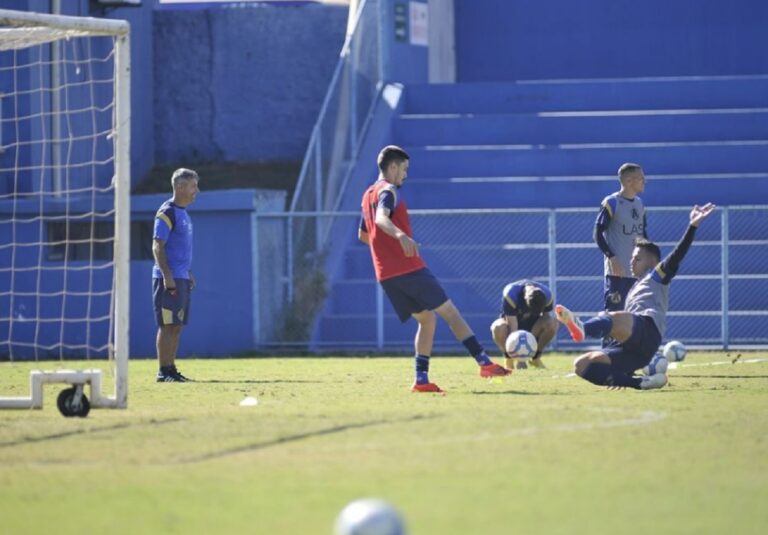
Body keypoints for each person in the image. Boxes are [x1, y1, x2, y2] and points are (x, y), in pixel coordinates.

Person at [358, 145, 510, 393]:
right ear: (393, 167)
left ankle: (421, 380)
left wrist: (386, 249)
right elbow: (381, 220)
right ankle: (484, 362)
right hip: (408, 268)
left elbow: (364, 235)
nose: (405, 175)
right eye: (404, 169)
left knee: (427, 320)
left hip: (386, 275)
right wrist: (401, 237)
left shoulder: (367, 196)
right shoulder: (388, 190)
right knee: (451, 313)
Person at [556, 203, 716, 390]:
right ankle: (640, 383)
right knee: (582, 365)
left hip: (648, 330)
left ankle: (583, 328)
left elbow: (677, 255)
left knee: (610, 316)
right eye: (632, 257)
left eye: (637, 258)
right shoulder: (634, 287)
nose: (632, 261)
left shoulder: (656, 277)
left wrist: (692, 226)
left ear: (654, 262)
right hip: (634, 351)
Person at [152, 168, 200, 382]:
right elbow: (157, 247)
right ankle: (163, 371)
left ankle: (171, 369)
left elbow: (178, 250)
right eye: (193, 186)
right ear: (180, 187)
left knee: (177, 325)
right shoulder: (167, 212)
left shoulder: (183, 213)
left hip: (181, 277)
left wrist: (187, 273)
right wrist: (167, 276)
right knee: (167, 324)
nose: (196, 190)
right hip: (168, 278)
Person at [594, 163, 648, 315]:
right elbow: (597, 234)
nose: (645, 181)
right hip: (618, 273)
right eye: (641, 178)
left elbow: (643, 235)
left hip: (637, 273)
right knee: (614, 314)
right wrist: (612, 257)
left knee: (636, 315)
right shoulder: (612, 203)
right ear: (629, 181)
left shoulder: (639, 204)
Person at [489, 280, 557, 370]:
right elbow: (513, 327)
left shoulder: (548, 295)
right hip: (514, 324)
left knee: (552, 323)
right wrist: (521, 360)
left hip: (534, 326)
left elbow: (546, 318)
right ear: (525, 300)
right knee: (497, 327)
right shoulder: (511, 294)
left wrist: (530, 339)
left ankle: (536, 358)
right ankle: (509, 359)